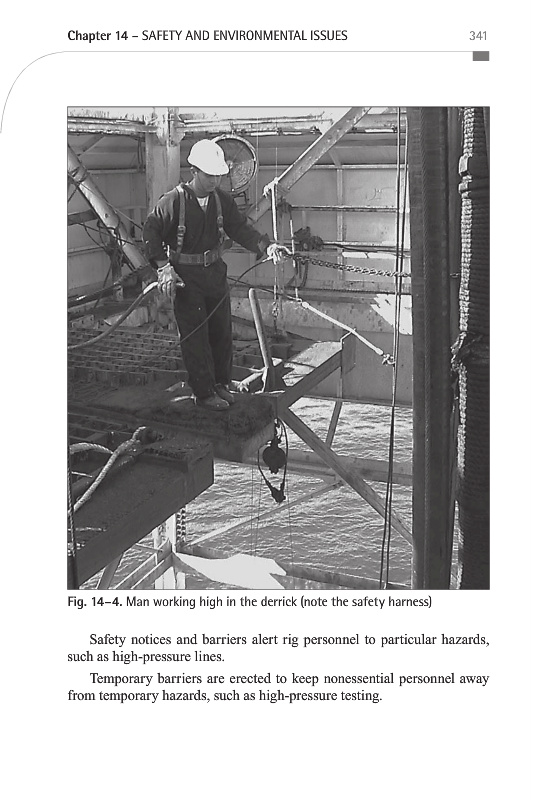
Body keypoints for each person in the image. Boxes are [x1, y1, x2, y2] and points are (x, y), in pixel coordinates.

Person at [143, 139, 288, 410]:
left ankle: (221, 384)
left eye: (218, 176)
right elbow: (151, 231)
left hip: (214, 274)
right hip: (187, 279)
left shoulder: (222, 201)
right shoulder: (173, 201)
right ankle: (203, 393)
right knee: (195, 336)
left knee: (221, 332)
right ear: (194, 171)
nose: (214, 181)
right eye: (209, 176)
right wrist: (164, 268)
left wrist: (267, 246)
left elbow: (241, 229)